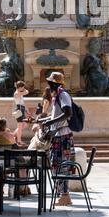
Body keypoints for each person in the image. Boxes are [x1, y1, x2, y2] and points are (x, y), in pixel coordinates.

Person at [41, 71, 75, 206]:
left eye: (49, 82)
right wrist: (42, 120)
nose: (48, 85)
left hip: (64, 136)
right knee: (56, 164)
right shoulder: (57, 96)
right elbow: (55, 116)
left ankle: (65, 196)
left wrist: (49, 123)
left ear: (54, 83)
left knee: (63, 165)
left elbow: (68, 113)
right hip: (58, 136)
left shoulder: (63, 95)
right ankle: (63, 194)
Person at [13, 80, 30, 146]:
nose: (23, 88)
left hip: (21, 109)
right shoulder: (17, 93)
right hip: (18, 110)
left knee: (25, 124)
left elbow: (22, 103)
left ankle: (13, 135)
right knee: (20, 126)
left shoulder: (19, 92)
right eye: (22, 87)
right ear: (19, 87)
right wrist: (24, 90)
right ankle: (19, 141)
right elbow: (27, 92)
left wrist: (26, 110)